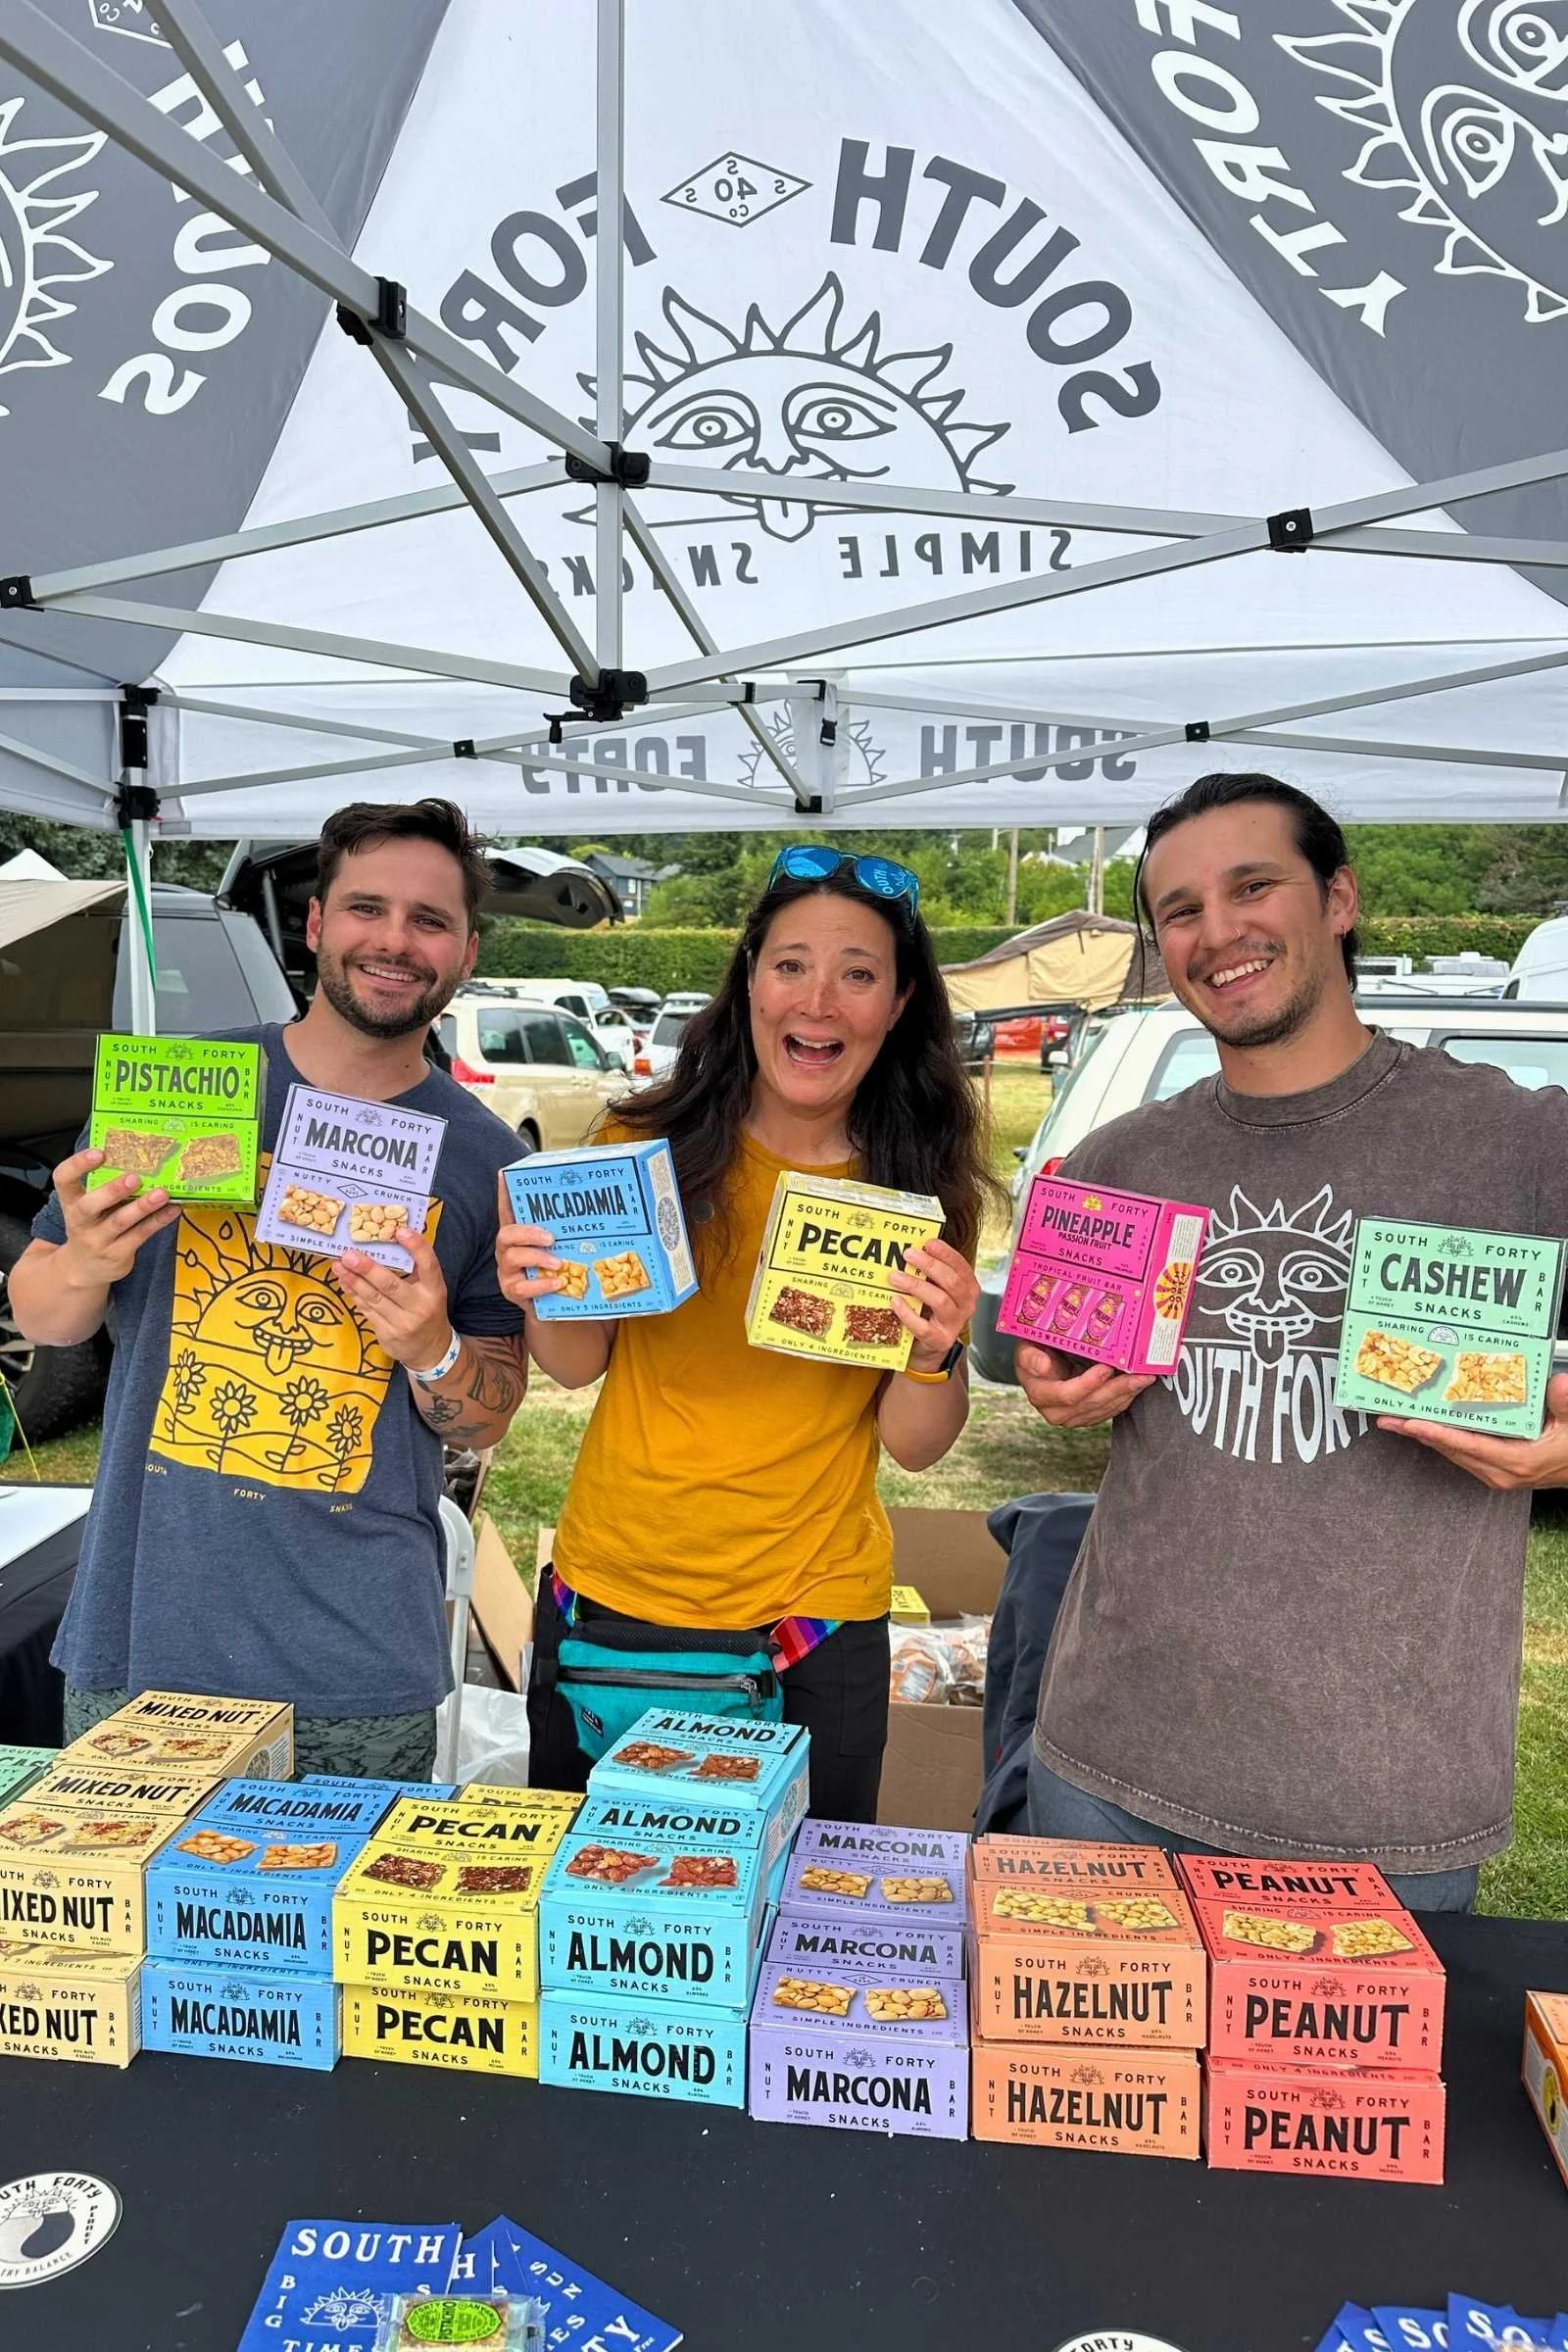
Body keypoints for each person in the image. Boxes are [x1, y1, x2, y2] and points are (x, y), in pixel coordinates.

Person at [1017, 772, 1568, 1911]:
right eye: (1178, 910)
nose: (1217, 932)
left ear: (1340, 898)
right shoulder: (1119, 1161)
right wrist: (1051, 1385)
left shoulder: (1515, 1141)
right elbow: (1061, 1368)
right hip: (1106, 1765)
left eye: (1252, 885)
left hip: (1381, 1801)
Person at [11, 799, 528, 1779]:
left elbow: (488, 1415)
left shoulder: (483, 1159)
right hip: (142, 1638)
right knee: (127, 1936)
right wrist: (83, 1257)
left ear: (465, 954)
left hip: (356, 1669)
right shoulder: (186, 1093)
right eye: (367, 908)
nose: (394, 941)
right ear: (317, 925)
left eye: (430, 920)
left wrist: (434, 1349)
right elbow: (44, 1313)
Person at [497, 846, 995, 1821]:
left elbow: (915, 1445)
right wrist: (540, 1293)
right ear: (749, 982)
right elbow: (573, 1364)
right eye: (790, 964)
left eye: (858, 973)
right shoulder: (640, 1144)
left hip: (809, 1629)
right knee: (603, 1924)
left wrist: (934, 1352)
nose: (818, 1001)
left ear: (896, 1008)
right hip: (614, 1610)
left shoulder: (919, 1190)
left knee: (788, 1937)